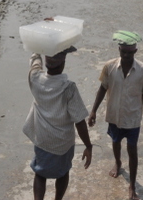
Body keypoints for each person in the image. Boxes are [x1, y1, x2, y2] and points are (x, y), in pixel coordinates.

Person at [88, 31, 143, 200]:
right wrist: (94, 110)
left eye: (129, 52)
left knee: (133, 150)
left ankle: (132, 185)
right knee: (115, 142)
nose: (126, 55)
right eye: (123, 52)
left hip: (133, 118)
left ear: (135, 52)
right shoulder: (109, 67)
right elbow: (102, 88)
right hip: (114, 115)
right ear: (119, 50)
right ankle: (117, 162)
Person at [23, 46, 92, 200]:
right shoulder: (69, 88)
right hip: (62, 143)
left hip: (42, 139)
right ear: (63, 63)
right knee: (63, 173)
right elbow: (79, 121)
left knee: (40, 174)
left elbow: (34, 63)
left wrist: (38, 46)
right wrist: (88, 145)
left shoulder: (35, 79)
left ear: (46, 63)